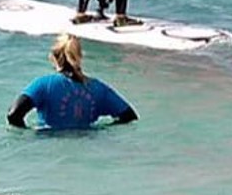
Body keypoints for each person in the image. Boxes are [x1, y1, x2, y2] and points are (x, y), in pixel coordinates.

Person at [7, 34, 138, 131]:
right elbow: (129, 116)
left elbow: (13, 114)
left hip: (50, 154)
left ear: (54, 57)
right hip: (86, 151)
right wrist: (100, 130)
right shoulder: (98, 88)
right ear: (79, 56)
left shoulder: (43, 84)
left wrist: (31, 135)